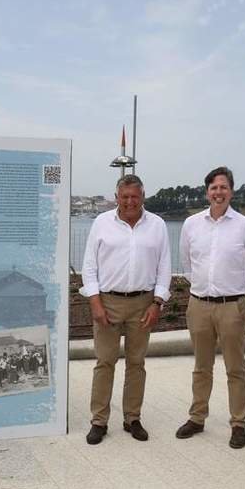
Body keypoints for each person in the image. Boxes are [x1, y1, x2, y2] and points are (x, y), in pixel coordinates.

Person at [78, 174, 172, 445]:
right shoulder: (101, 223)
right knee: (105, 362)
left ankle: (132, 418)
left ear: (143, 196)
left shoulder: (157, 225)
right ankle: (99, 420)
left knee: (136, 363)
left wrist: (158, 302)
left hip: (143, 303)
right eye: (125, 196)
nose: (130, 202)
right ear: (116, 197)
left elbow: (165, 267)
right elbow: (89, 265)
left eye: (135, 196)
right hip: (108, 302)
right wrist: (95, 301)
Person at [175, 166, 245, 449]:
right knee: (201, 367)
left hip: (232, 306)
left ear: (231, 191)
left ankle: (238, 423)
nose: (218, 192)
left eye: (223, 187)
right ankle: (197, 417)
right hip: (198, 305)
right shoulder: (191, 224)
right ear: (207, 191)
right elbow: (187, 263)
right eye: (213, 187)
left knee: (236, 367)